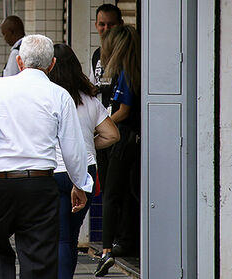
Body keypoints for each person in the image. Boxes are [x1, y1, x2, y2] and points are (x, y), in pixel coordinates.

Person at [0, 34, 94, 279]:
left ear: (20, 62)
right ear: (51, 64)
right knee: (39, 255)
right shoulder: (60, 95)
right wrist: (81, 184)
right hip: (41, 184)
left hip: (2, 182)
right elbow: (73, 150)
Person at [47, 43, 120, 279]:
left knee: (56, 236)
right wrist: (86, 144)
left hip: (53, 171)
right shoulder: (89, 101)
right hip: (85, 172)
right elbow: (112, 135)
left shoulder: (46, 99)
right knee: (69, 236)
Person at [95, 24, 141, 276]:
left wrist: (103, 126)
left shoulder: (125, 71)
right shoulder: (135, 68)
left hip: (123, 140)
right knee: (131, 191)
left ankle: (106, 250)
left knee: (111, 194)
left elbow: (123, 110)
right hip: (133, 139)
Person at [90, 4, 123, 87]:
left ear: (121, 24)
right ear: (96, 26)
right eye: (102, 24)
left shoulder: (127, 53)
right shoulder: (97, 54)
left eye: (111, 24)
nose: (107, 28)